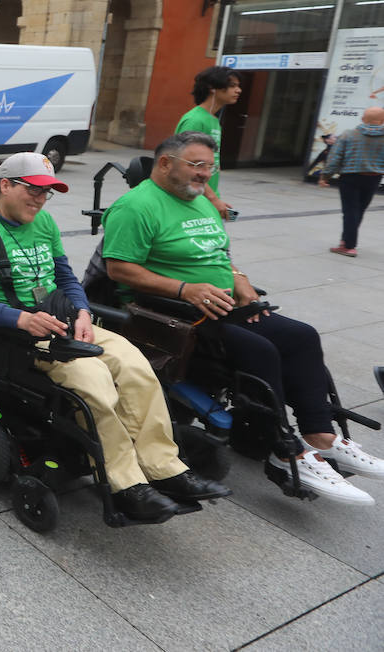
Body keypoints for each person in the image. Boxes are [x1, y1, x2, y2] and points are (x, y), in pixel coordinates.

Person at [103, 131, 384, 504]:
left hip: (225, 306)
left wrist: (239, 279)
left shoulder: (200, 201)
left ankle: (322, 436)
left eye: (210, 167)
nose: (205, 174)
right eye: (197, 165)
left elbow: (218, 253)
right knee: (260, 351)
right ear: (165, 163)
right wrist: (186, 289)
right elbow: (119, 269)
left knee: (302, 336)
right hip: (173, 315)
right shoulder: (136, 207)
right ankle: (283, 450)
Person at [0, 152, 231, 522]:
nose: (40, 199)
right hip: (15, 335)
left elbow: (66, 278)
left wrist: (82, 310)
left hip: (64, 321)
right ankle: (127, 484)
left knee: (136, 366)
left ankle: (165, 467)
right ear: (5, 185)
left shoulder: (44, 222)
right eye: (33, 190)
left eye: (47, 193)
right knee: (94, 380)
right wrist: (21, 319)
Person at [175, 66, 240, 219]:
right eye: (232, 86)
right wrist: (213, 199)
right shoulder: (195, 120)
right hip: (190, 199)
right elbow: (184, 165)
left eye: (238, 86)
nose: (238, 90)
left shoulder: (213, 120)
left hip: (203, 196)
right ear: (212, 87)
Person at [319, 107, 384, 257]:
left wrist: (325, 177)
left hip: (350, 177)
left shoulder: (348, 135)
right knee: (359, 210)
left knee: (350, 211)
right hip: (373, 178)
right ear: (382, 121)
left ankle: (348, 246)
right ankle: (346, 241)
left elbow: (335, 158)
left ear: (362, 119)